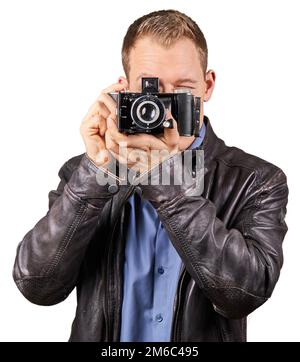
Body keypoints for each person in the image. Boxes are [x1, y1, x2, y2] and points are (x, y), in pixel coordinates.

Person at [13, 9, 288, 342]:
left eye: (183, 88)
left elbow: (243, 294)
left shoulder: (256, 181)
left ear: (208, 86)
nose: (166, 108)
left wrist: (164, 175)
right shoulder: (86, 172)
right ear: (124, 89)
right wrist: (97, 170)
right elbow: (37, 286)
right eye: (151, 89)